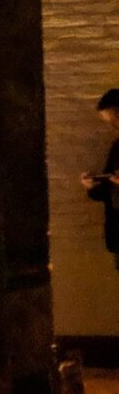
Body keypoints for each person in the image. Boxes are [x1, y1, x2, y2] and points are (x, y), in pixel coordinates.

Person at [84, 89, 119, 271]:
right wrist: (92, 187)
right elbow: (108, 187)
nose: (111, 127)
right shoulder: (117, 147)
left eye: (111, 121)